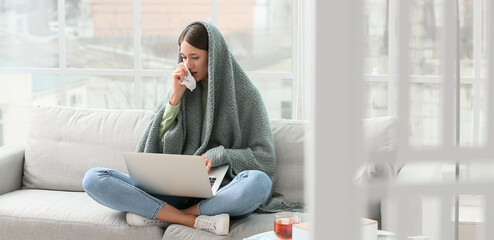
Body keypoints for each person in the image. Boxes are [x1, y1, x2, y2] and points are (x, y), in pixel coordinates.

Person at [82, 21, 281, 236]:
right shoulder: (180, 90)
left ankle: (160, 214)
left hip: (219, 193)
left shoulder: (247, 96)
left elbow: (264, 159)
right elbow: (148, 150)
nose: (188, 65)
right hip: (170, 190)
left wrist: (219, 155)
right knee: (94, 179)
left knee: (258, 183)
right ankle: (190, 219)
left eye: (195, 57)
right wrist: (175, 99)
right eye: (184, 58)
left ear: (215, 57)